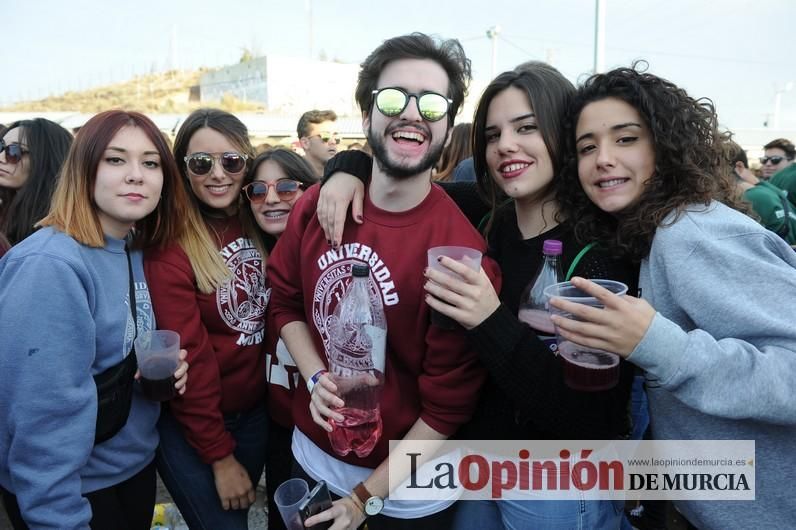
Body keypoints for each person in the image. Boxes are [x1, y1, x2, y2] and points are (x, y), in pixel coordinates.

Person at [319, 61, 635, 530]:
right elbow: (405, 175)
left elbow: (589, 417)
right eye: (492, 134)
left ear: (563, 134)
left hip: (552, 478)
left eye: (526, 128)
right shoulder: (488, 215)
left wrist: (489, 318)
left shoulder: (595, 256)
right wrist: (346, 168)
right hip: (472, 463)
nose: (506, 144)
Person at [267, 33, 501, 530]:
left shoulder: (459, 254)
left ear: (447, 124)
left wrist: (363, 498)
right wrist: (314, 378)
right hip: (310, 460)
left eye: (432, 103)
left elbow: (446, 408)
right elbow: (283, 302)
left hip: (406, 493)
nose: (413, 113)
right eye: (394, 98)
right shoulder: (316, 206)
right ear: (367, 114)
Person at [549, 65, 796, 529]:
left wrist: (660, 345)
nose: (602, 158)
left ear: (664, 147)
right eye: (587, 147)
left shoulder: (691, 233)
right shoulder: (659, 230)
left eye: (626, 139)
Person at [0, 110, 189, 529]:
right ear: (84, 169)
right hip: (75, 492)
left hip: (132, 468)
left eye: (151, 162)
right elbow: (39, 418)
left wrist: (160, 369)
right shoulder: (49, 266)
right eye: (116, 159)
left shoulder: (132, 246)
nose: (136, 175)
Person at [144, 109, 268, 529]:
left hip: (257, 414)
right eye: (202, 163)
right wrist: (219, 456)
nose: (218, 174)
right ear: (183, 169)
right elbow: (190, 356)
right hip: (195, 426)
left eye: (231, 161)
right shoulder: (171, 246)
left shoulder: (259, 218)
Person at [239, 148, 315, 530]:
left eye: (286, 187)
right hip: (277, 425)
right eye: (257, 190)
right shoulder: (245, 258)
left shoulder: (329, 256)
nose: (270, 199)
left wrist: (346, 170)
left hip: (322, 431)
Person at [0, 118, 73, 248]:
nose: (1, 158)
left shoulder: (57, 232)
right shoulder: (6, 211)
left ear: (45, 160)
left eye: (14, 151)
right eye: (1, 147)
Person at [728, 140, 796, 245]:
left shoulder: (791, 179)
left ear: (792, 160)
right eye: (764, 160)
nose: (768, 164)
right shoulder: (764, 184)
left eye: (775, 160)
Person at [297, 109, 340, 179]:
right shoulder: (293, 180)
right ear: (305, 143)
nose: (333, 142)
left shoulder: (342, 178)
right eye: (326, 136)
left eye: (336, 136)